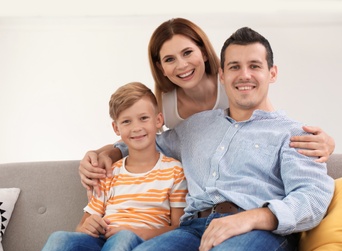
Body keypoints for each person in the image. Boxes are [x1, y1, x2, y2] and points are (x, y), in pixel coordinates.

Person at [93, 27, 335, 251]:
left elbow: (312, 197)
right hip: (192, 229)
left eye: (254, 66)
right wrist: (105, 155)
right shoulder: (195, 126)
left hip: (257, 232)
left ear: (272, 73)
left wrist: (251, 218)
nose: (244, 75)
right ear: (222, 75)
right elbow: (144, 143)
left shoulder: (295, 133)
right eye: (234, 67)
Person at [80, 18, 335, 196]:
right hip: (194, 188)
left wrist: (324, 142)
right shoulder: (165, 104)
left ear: (203, 52)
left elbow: (266, 124)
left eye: (187, 52)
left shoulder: (233, 83)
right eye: (170, 59)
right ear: (160, 67)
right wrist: (104, 154)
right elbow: (147, 139)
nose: (181, 65)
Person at [36, 82, 187, 251]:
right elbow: (81, 226)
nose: (136, 127)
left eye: (143, 118)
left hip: (142, 243)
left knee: (124, 237)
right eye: (126, 121)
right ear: (116, 128)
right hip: (102, 241)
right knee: (59, 238)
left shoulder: (174, 171)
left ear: (158, 120)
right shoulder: (109, 172)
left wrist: (137, 231)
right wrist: (87, 226)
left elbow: (178, 227)